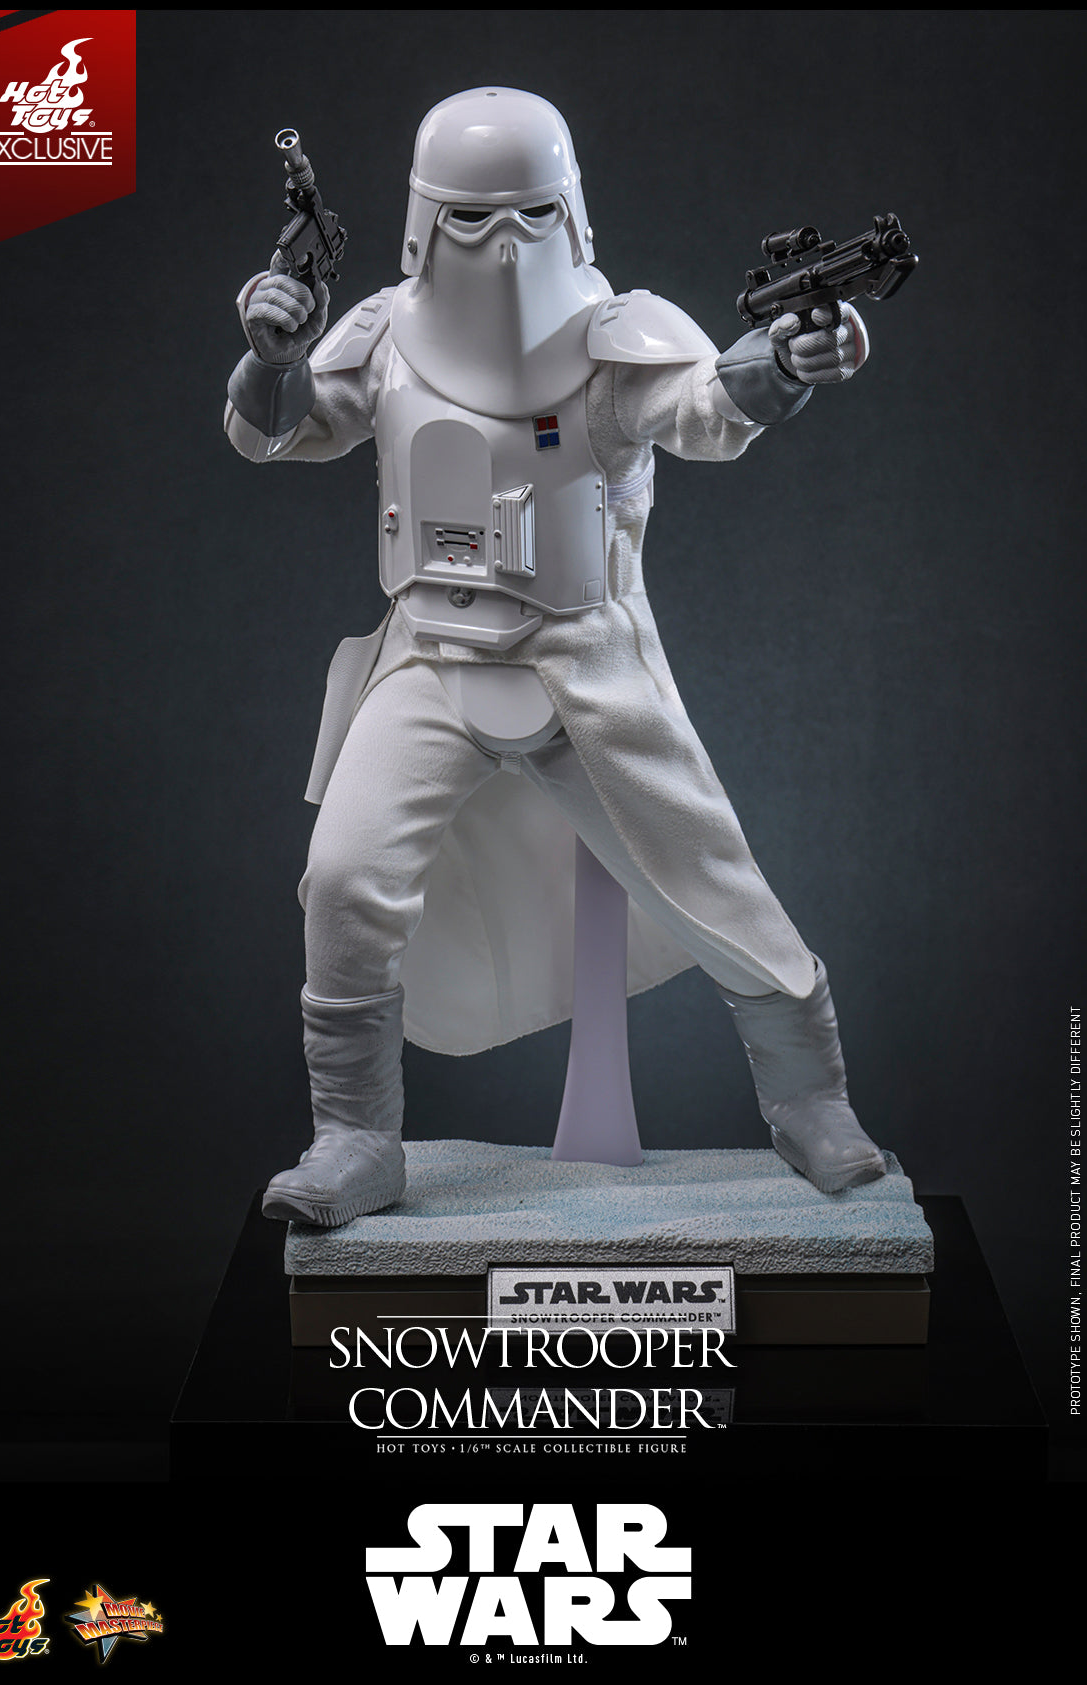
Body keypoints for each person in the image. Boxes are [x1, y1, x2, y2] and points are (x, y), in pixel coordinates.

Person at [224, 87, 887, 1228]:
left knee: (711, 879)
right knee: (342, 879)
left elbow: (705, 404)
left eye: (529, 215)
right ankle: (354, 1135)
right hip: (431, 652)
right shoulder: (382, 335)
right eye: (473, 219)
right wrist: (270, 356)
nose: (503, 245)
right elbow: (277, 429)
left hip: (585, 655)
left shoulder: (613, 337)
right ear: (425, 223)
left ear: (569, 213)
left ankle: (809, 1100)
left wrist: (782, 363)